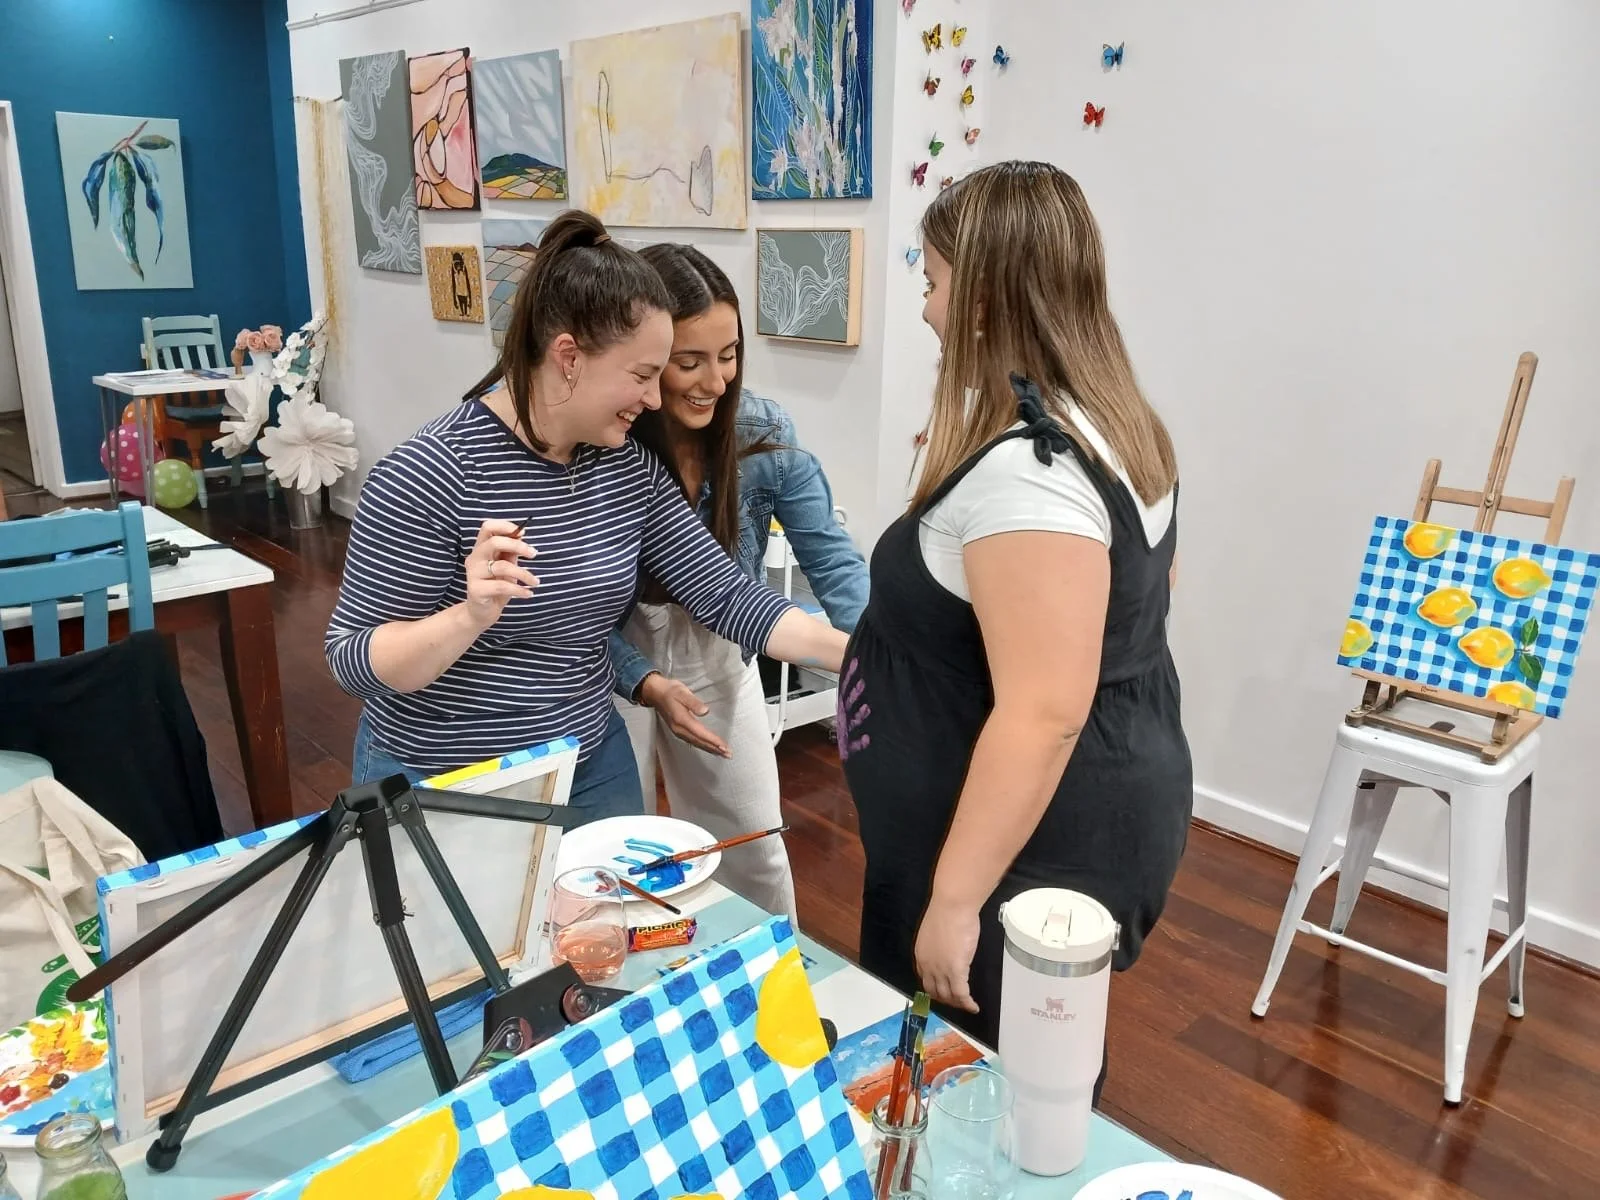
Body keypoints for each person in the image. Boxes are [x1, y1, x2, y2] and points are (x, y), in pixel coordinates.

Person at [839, 161, 1192, 1080]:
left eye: (934, 281)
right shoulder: (1118, 426)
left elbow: (1045, 710)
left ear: (987, 297)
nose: (926, 310)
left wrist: (957, 903)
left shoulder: (1032, 476)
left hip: (1013, 855)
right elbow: (1134, 619)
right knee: (1037, 1058)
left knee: (992, 1086)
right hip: (1071, 812)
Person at [326, 210, 848, 824]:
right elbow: (353, 661)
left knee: (608, 918)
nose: (655, 401)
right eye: (643, 375)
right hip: (448, 772)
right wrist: (469, 616)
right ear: (569, 357)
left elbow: (729, 596)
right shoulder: (432, 471)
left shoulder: (625, 468)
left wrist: (868, 658)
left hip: (588, 760)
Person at [610, 244, 869, 919]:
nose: (714, 381)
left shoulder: (760, 430)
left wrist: (875, 651)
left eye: (729, 356)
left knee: (753, 839)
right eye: (689, 361)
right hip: (608, 657)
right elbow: (571, 612)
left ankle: (763, 971)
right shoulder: (610, 440)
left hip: (721, 647)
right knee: (619, 848)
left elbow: (830, 561)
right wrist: (640, 677)